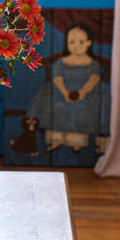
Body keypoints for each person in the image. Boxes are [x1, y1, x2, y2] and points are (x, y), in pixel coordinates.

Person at [26, 23, 110, 152]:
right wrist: (65, 93)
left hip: (87, 91)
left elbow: (94, 80)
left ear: (89, 43)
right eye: (71, 42)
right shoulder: (61, 62)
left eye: (81, 42)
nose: (76, 46)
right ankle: (57, 138)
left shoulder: (93, 64)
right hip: (62, 89)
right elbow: (58, 79)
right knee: (55, 107)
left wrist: (82, 92)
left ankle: (78, 140)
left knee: (86, 110)